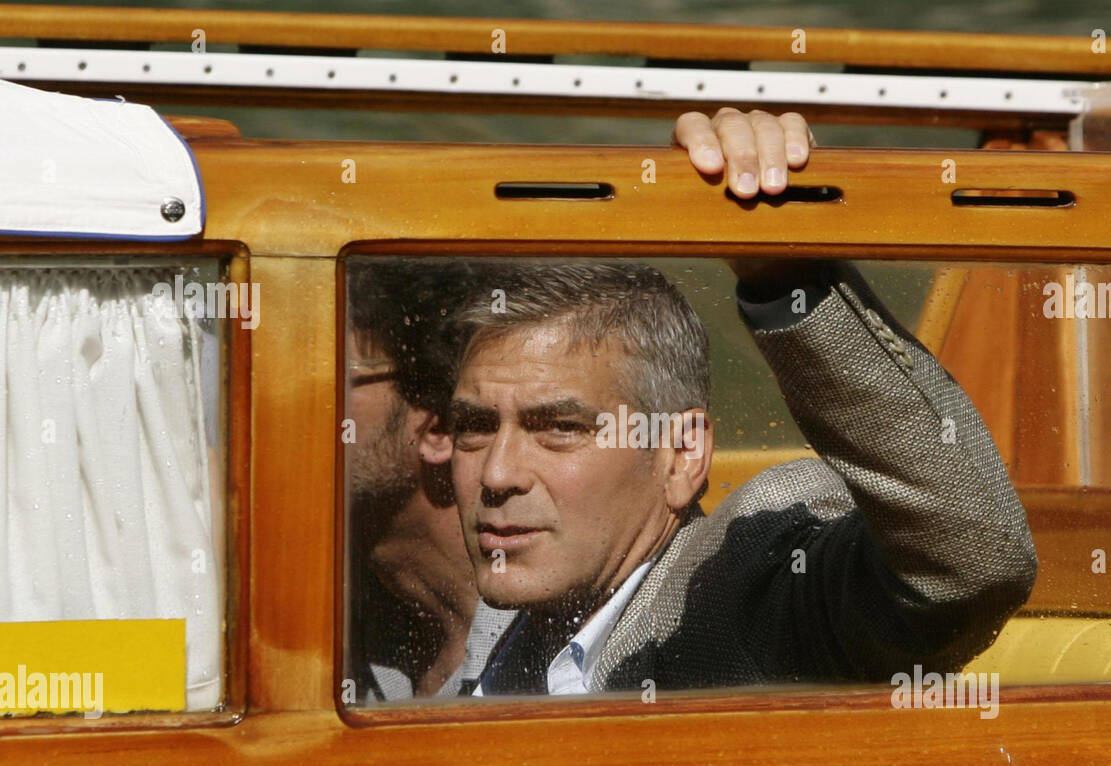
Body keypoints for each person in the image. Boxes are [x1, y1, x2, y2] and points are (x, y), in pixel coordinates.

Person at [436, 108, 1039, 696]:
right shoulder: (501, 618)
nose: (497, 473)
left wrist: (783, 267)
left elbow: (973, 562)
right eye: (474, 428)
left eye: (560, 427)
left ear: (681, 453)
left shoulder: (751, 587)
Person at [345, 259, 515, 701]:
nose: (285, 396)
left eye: (330, 371)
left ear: (440, 430)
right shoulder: (328, 617)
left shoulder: (569, 631)